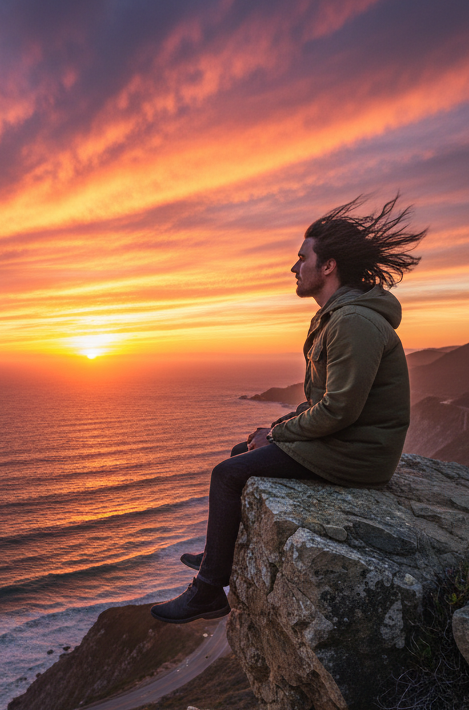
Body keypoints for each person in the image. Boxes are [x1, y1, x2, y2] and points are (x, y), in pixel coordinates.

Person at [152, 195, 425, 624]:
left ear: (328, 266)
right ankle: (217, 557)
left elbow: (339, 411)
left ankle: (206, 592)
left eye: (303, 258)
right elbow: (326, 400)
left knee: (227, 474)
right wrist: (281, 424)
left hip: (357, 453)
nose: (294, 268)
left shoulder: (353, 322)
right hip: (348, 440)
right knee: (238, 453)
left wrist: (279, 435)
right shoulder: (338, 316)